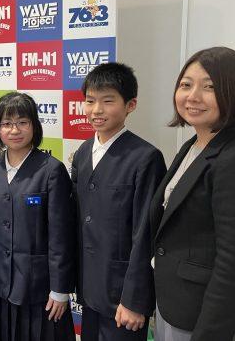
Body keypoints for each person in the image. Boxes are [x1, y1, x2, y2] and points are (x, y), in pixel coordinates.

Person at [150, 47, 235, 341]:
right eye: (186, 84)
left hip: (207, 320)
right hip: (174, 305)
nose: (192, 96)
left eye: (209, 87)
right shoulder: (191, 147)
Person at [71, 63, 166, 341]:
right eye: (90, 101)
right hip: (89, 289)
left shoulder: (146, 158)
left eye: (108, 101)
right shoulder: (83, 153)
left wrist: (135, 299)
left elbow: (146, 233)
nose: (96, 110)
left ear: (130, 105)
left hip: (122, 296)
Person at [0, 92, 76, 341]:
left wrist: (60, 289)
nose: (15, 130)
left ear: (34, 125)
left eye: (22, 122)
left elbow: (61, 236)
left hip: (41, 288)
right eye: (7, 123)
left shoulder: (51, 170)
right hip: (2, 283)